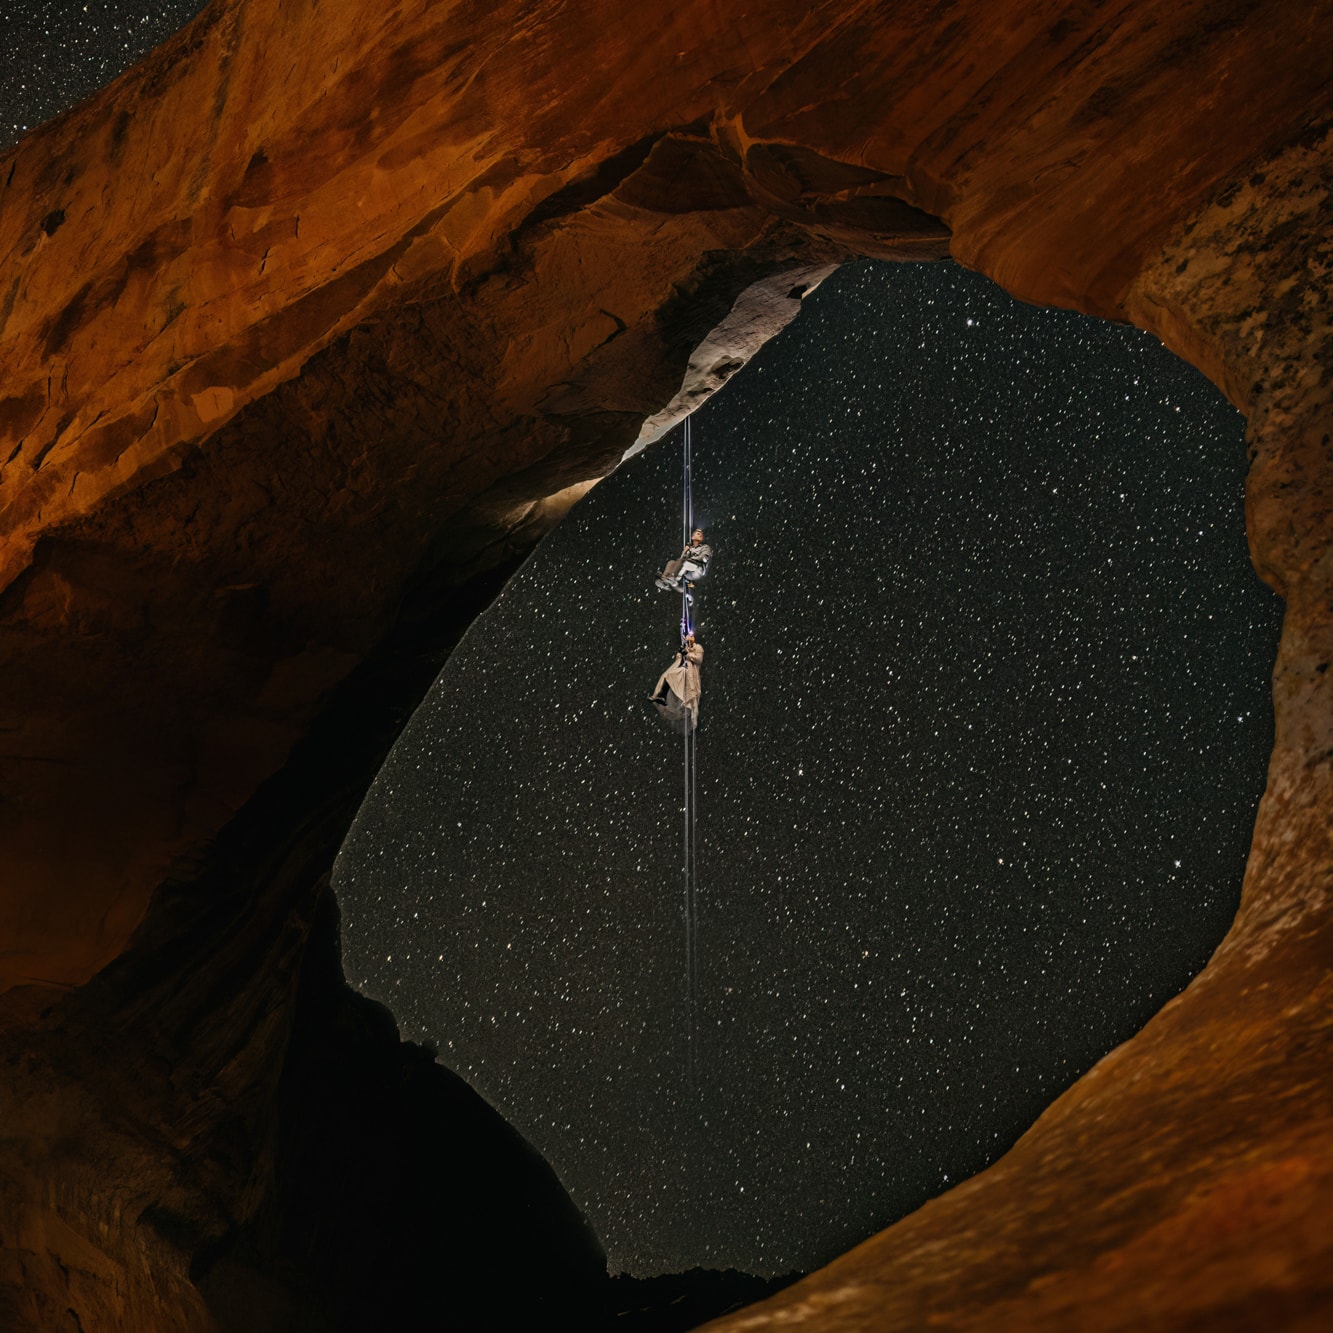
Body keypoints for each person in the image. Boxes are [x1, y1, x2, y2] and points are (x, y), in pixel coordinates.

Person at [647, 634, 704, 733]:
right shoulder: (686, 647)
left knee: (675, 674)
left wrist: (687, 654)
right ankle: (662, 695)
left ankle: (671, 698)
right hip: (684, 670)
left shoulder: (698, 648)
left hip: (690, 673)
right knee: (667, 676)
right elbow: (679, 660)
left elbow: (698, 659)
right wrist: (681, 653)